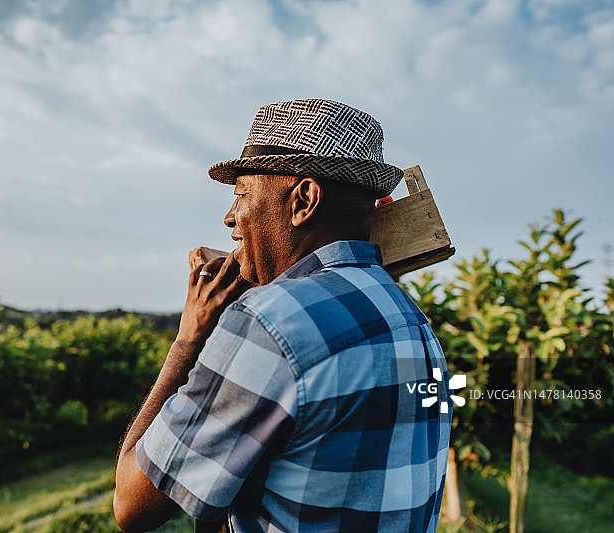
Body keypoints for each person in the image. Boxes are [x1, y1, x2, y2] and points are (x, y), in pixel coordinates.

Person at [114, 99, 452, 532]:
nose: (230, 218)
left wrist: (189, 340)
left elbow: (132, 506)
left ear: (304, 200)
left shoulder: (268, 323)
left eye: (241, 195)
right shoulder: (411, 320)